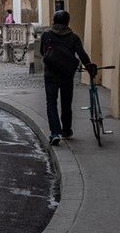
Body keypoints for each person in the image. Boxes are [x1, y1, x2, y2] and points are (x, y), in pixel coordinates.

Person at [40, 9, 96, 145]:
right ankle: (66, 130)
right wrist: (89, 67)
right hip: (67, 74)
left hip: (50, 74)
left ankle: (54, 133)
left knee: (51, 103)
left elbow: (42, 52)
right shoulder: (73, 37)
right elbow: (82, 54)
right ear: (67, 22)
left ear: (54, 21)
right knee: (66, 103)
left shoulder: (46, 35)